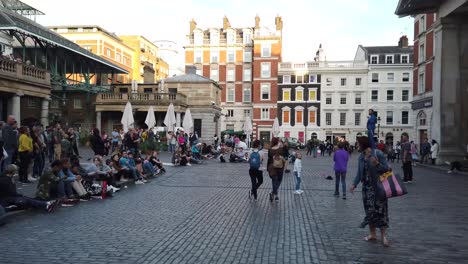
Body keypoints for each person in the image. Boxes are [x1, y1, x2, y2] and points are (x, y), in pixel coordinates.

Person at [350, 136, 390, 247]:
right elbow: (359, 173)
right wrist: (354, 184)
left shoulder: (378, 154)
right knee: (369, 212)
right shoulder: (361, 157)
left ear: (363, 144)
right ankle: (373, 234)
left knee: (381, 211)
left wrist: (377, 164)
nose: (357, 145)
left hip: (378, 187)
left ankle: (384, 236)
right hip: (366, 188)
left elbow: (387, 169)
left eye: (358, 143)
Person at [267, 137, 285, 202]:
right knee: (279, 180)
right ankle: (275, 194)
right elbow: (284, 155)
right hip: (280, 166)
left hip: (272, 166)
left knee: (274, 180)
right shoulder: (281, 149)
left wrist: (267, 168)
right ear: (277, 142)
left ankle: (274, 193)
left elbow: (269, 159)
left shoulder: (270, 150)